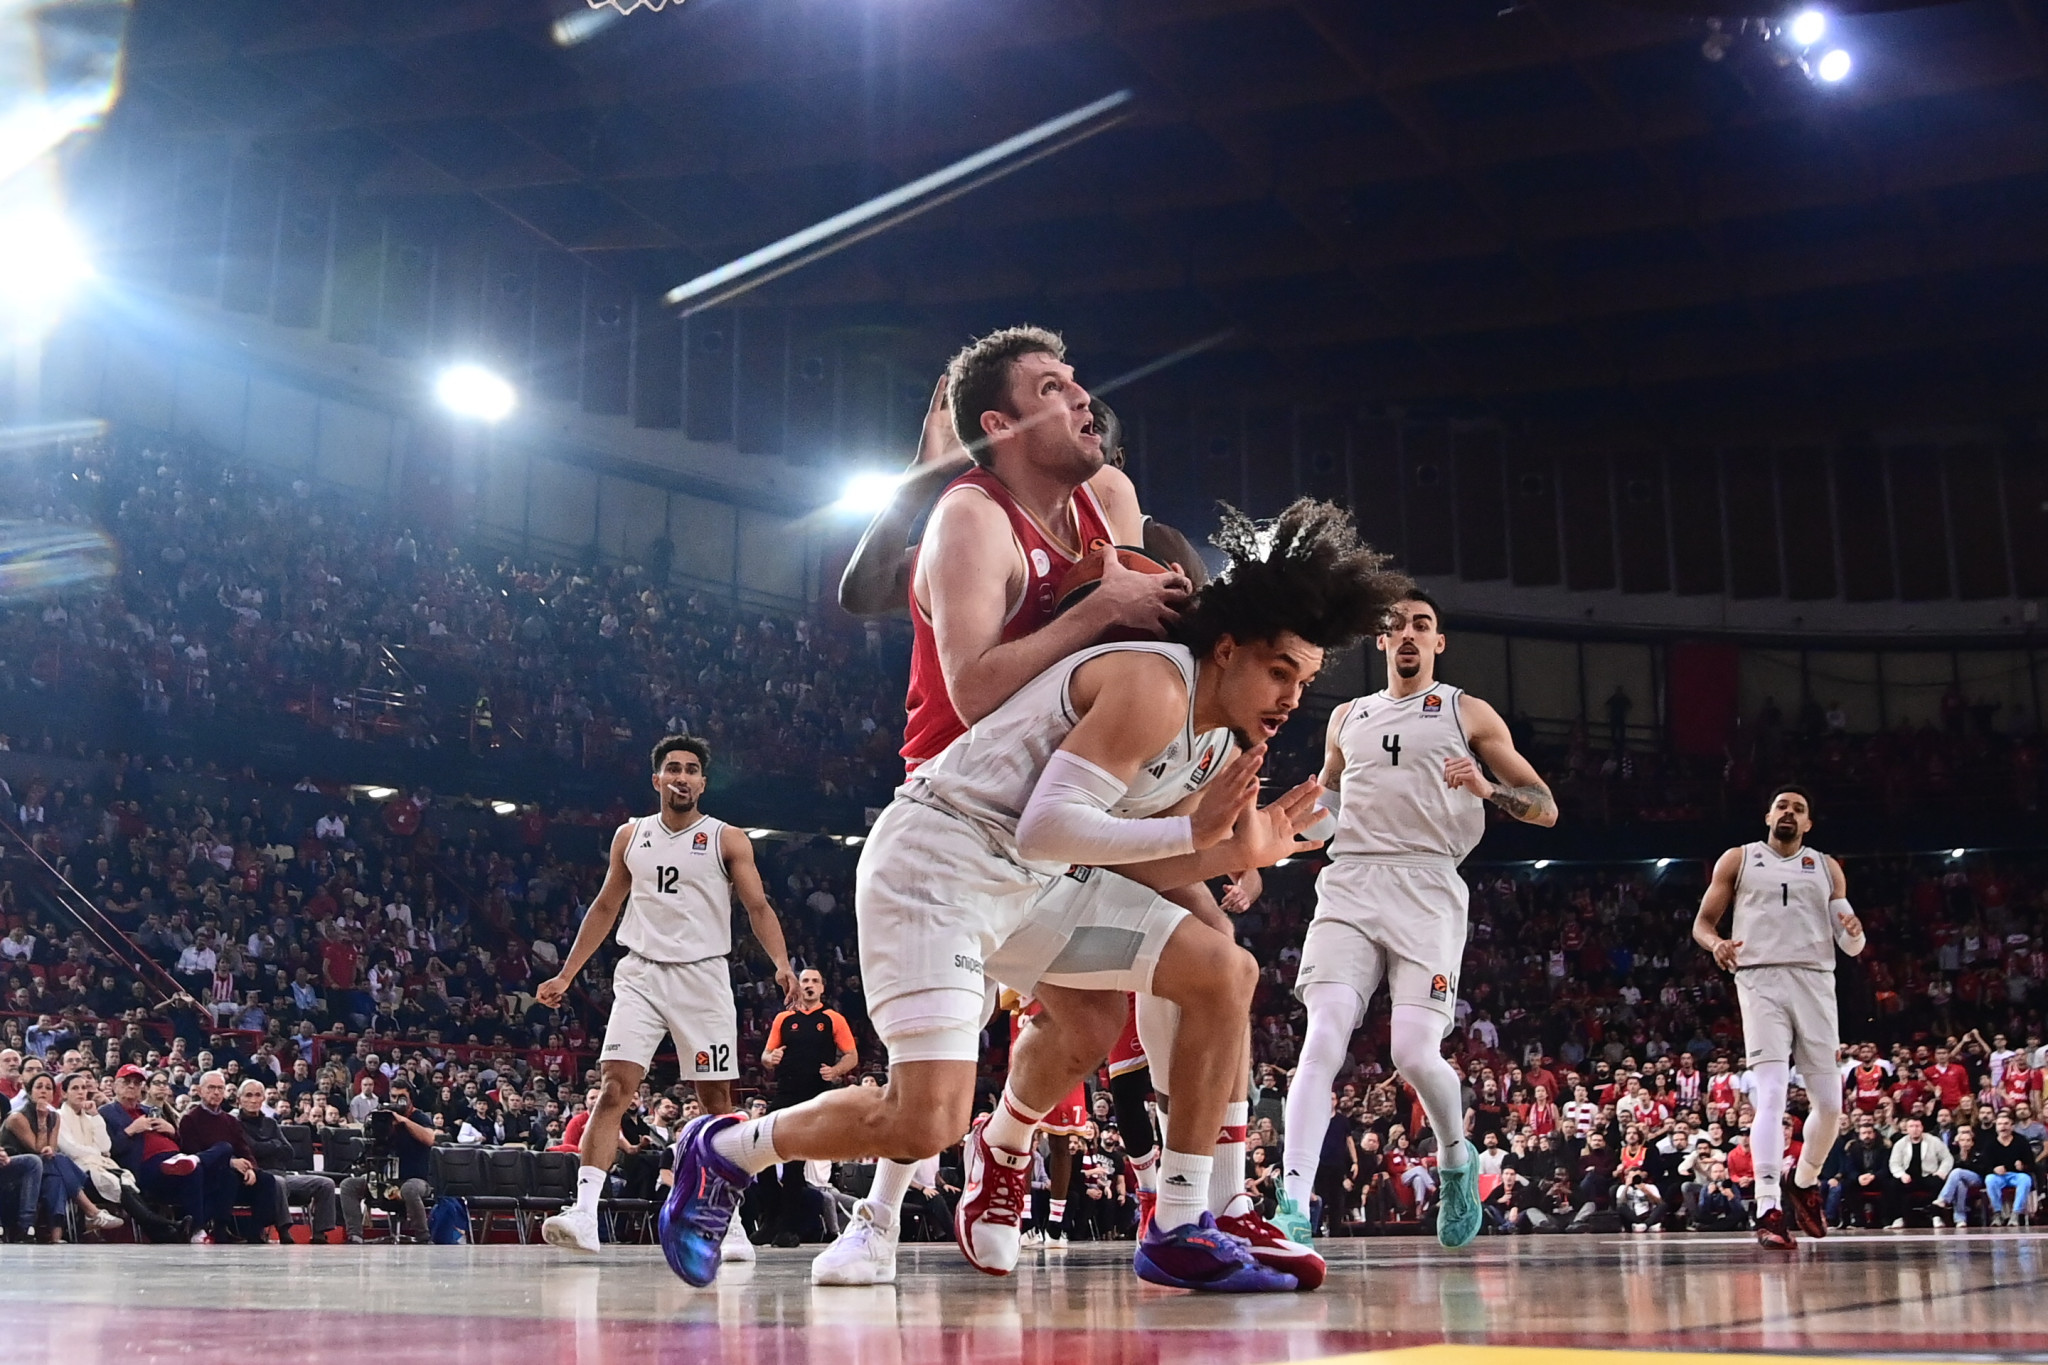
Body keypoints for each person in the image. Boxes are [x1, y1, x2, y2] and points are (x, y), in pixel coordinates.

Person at [664, 498, 1401, 1292]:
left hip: (1030, 883)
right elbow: (1049, 828)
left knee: (1219, 972)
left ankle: (1183, 1220)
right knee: (925, 1118)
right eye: (1280, 672)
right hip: (938, 864)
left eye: (1304, 680)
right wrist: (1205, 839)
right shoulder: (1157, 684)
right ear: (1227, 649)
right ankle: (725, 1149)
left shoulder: (1220, 739)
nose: (1291, 697)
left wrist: (1236, 850)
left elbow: (1134, 864)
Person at [1278, 590, 1557, 1251]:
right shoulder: (1347, 715)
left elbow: (1545, 806)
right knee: (1322, 1036)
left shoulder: (1467, 710)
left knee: (1411, 1052)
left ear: (1438, 642)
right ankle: (1291, 1201)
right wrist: (1283, 831)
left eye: (1421, 625)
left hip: (1428, 885)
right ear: (1380, 640)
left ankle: (1457, 1159)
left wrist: (1488, 789)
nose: (1408, 633)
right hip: (1351, 881)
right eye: (1396, 625)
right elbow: (1328, 810)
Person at [536, 734, 799, 1259]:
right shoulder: (630, 835)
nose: (682, 777)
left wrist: (782, 963)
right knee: (614, 1088)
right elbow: (605, 906)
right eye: (673, 768)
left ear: (703, 782)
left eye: (692, 770)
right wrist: (567, 975)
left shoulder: (727, 838)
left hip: (703, 977)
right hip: (641, 973)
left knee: (717, 1104)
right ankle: (584, 1214)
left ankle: (729, 1221)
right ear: (656, 779)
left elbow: (758, 906)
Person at [1693, 785, 1861, 1251]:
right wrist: (1717, 944)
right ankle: (1768, 1206)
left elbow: (1852, 945)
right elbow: (1703, 924)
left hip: (1815, 981)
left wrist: (1855, 932)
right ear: (1768, 816)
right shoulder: (1739, 859)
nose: (1789, 812)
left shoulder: (1826, 867)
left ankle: (1803, 1181)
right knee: (1770, 1095)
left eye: (1798, 808)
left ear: (1808, 823)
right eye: (1782, 806)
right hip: (1760, 980)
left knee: (1831, 1106)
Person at [761, 968, 856, 1248]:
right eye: (805, 981)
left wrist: (836, 1071)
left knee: (794, 1164)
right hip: (785, 1092)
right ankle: (770, 1219)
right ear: (798, 986)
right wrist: (771, 1058)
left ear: (822, 988)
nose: (810, 985)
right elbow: (766, 1055)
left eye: (815, 981)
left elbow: (851, 1055)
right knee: (762, 1153)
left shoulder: (832, 1018)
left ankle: (788, 1228)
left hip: (814, 1096)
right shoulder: (784, 1018)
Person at [101, 1063, 211, 1243]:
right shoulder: (106, 1113)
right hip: (143, 1168)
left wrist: (172, 1131)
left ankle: (195, 1228)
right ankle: (196, 1229)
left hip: (174, 1159)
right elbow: (108, 1150)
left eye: (137, 1083)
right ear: (115, 1086)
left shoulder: (150, 1111)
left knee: (214, 1170)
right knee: (196, 1168)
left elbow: (183, 1142)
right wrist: (130, 1130)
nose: (132, 1086)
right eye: (127, 1082)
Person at [3, 1072, 114, 1240]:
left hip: (41, 1169)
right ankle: (91, 1211)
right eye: (39, 1087)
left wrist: (49, 1149)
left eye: (48, 1088)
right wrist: (42, 1121)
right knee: (52, 1161)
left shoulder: (55, 1117)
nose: (44, 1091)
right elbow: (37, 1149)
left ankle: (56, 1237)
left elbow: (51, 1151)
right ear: (30, 1092)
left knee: (56, 1176)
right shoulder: (17, 1117)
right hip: (13, 1167)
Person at [175, 1069, 278, 1243]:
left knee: (266, 1179)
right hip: (207, 1174)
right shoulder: (190, 1119)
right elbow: (192, 1152)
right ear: (200, 1091)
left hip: (235, 1171)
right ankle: (220, 1229)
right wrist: (230, 1162)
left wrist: (251, 1168)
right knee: (228, 1176)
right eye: (211, 1088)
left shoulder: (230, 1121)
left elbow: (243, 1149)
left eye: (220, 1088)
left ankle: (256, 1232)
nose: (216, 1092)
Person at [236, 1078, 340, 1242]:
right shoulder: (236, 1124)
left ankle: (319, 1234)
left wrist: (266, 1147)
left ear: (263, 1098)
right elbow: (252, 1149)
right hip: (259, 1177)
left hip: (283, 1173)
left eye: (257, 1095)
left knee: (325, 1183)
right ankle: (284, 1231)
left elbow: (289, 1152)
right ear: (239, 1099)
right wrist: (274, 1145)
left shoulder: (271, 1123)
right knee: (277, 1182)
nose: (254, 1100)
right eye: (249, 1095)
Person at [339, 1080, 436, 1241]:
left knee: (410, 1189)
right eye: (393, 1096)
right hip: (384, 1179)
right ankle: (355, 1236)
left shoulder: (419, 1117)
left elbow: (429, 1139)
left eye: (401, 1097)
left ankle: (423, 1237)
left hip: (415, 1178)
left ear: (411, 1098)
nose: (396, 1101)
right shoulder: (384, 1118)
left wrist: (403, 1121)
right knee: (349, 1185)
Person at [1888, 1115, 1951, 1228]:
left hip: (1928, 1175)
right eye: (1911, 1126)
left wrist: (1941, 1172)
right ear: (1907, 1129)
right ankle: (1898, 1218)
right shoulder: (1900, 1144)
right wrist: (1902, 1174)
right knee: (1893, 1184)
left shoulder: (1933, 1141)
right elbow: (1894, 1163)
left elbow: (1947, 1158)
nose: (1915, 1129)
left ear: (1922, 1128)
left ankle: (1936, 1216)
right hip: (1909, 1177)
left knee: (1938, 1182)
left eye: (1917, 1126)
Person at [1981, 1110, 2036, 1226]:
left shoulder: (2021, 1141)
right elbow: (1984, 1165)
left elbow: (2031, 1163)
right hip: (1998, 1176)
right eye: (2000, 1124)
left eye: (2006, 1124)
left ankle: (2016, 1214)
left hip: (2016, 1175)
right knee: (1990, 1179)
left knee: (2025, 1179)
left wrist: (2023, 1166)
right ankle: (1997, 1214)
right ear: (1996, 1127)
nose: (2003, 1127)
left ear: (2012, 1126)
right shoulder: (1990, 1143)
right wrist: (1994, 1169)